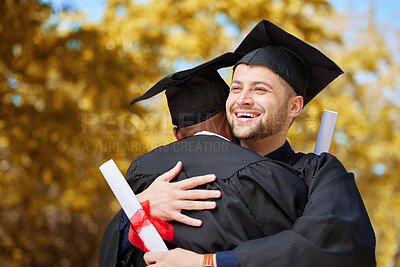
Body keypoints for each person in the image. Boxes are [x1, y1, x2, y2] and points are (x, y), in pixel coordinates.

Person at [141, 20, 376, 266]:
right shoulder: (187, 173)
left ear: (294, 106)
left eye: (260, 90)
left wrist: (208, 263)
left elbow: (334, 244)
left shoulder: (318, 173)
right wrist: (139, 205)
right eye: (235, 88)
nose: (243, 99)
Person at [99, 52, 309, 267]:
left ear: (177, 134)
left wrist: (138, 210)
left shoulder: (141, 174)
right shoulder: (267, 173)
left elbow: (113, 255)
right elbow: (299, 251)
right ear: (231, 119)